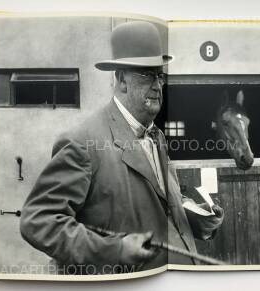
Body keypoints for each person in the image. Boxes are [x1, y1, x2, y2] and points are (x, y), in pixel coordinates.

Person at [20, 20, 223, 275]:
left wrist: (198, 215)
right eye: (147, 75)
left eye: (160, 75)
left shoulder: (157, 137)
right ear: (121, 79)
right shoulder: (83, 143)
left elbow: (161, 204)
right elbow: (38, 221)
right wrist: (112, 250)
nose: (158, 85)